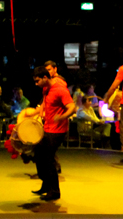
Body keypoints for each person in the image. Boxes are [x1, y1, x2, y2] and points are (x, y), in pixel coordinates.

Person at [27, 67, 76, 201]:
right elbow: (44, 102)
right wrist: (38, 113)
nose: (36, 84)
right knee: (38, 153)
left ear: (45, 78)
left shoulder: (60, 90)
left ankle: (54, 191)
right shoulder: (45, 88)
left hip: (58, 131)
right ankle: (46, 184)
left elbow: (72, 107)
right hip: (47, 128)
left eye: (37, 81)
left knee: (48, 159)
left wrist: (62, 117)